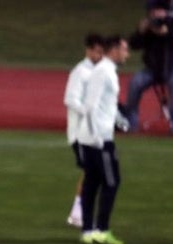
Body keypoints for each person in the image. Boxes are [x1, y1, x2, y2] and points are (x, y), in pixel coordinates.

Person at [77, 35, 131, 244]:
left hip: (91, 137)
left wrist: (120, 120)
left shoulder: (105, 71)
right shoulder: (104, 72)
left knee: (92, 183)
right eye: (124, 49)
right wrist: (98, 138)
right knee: (111, 181)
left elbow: (107, 104)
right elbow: (89, 106)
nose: (127, 54)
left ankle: (88, 230)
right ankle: (101, 229)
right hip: (99, 140)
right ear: (114, 50)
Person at [124, 0, 173, 135]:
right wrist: (141, 32)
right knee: (135, 82)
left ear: (165, 12)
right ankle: (131, 124)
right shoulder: (148, 27)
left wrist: (167, 33)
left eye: (158, 11)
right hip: (152, 70)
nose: (155, 15)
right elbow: (134, 45)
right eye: (152, 12)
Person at [63, 34, 104, 228]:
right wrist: (89, 111)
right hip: (79, 133)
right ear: (88, 50)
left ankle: (79, 212)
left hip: (91, 132)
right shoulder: (81, 72)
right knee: (90, 172)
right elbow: (70, 99)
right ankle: (77, 213)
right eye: (97, 51)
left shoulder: (98, 72)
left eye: (102, 52)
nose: (99, 55)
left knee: (93, 173)